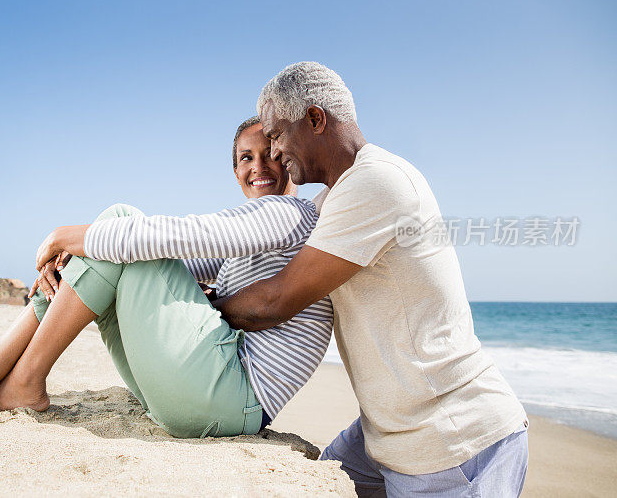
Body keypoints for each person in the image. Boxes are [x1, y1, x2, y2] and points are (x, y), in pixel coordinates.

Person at [0, 116, 333, 438]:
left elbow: (192, 234)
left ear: (288, 161)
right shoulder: (255, 235)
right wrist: (74, 266)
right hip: (200, 397)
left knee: (121, 225)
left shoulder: (288, 214)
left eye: (270, 154)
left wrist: (68, 235)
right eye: (245, 158)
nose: (258, 167)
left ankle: (13, 381)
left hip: (232, 396)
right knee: (118, 245)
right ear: (234, 171)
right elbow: (171, 271)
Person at [213, 62, 528, 497]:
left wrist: (202, 308)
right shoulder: (333, 197)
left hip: (450, 441)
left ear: (315, 119)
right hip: (383, 431)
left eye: (278, 135)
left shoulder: (376, 183)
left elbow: (276, 302)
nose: (276, 151)